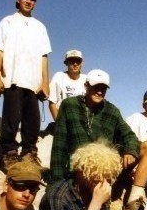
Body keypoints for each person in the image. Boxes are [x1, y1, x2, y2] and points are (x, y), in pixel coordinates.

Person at [49, 69, 140, 202]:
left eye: (103, 88)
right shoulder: (69, 105)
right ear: (86, 86)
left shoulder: (112, 111)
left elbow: (129, 135)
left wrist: (130, 151)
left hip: (102, 172)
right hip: (77, 170)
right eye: (96, 87)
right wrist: (56, 183)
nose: (99, 91)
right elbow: (59, 145)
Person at [0, 0, 51, 170]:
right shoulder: (7, 22)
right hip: (12, 80)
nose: (28, 1)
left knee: (32, 121)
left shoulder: (39, 27)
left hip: (33, 83)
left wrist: (45, 83)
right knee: (11, 119)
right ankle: (9, 153)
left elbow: (44, 56)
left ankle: (29, 153)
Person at [48, 49, 86, 120]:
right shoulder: (59, 76)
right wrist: (59, 124)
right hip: (64, 119)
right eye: (72, 61)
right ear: (66, 63)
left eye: (78, 61)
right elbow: (52, 103)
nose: (75, 64)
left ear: (82, 63)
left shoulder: (86, 79)